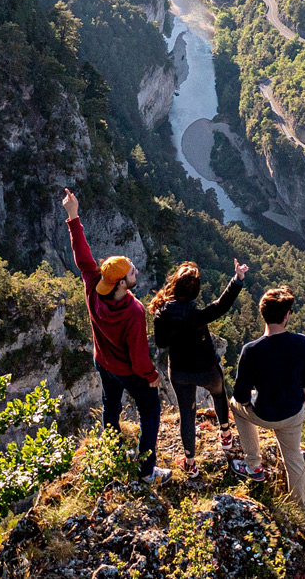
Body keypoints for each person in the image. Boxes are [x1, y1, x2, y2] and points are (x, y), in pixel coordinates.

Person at [61, 188, 169, 482]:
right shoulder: (133, 312)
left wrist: (73, 217)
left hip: (102, 363)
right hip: (126, 370)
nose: (136, 272)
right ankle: (147, 471)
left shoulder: (94, 286)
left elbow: (82, 257)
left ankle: (112, 450)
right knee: (150, 411)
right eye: (132, 272)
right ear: (121, 283)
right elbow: (138, 358)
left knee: (111, 405)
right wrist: (152, 376)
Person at [148, 258, 249, 473]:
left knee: (187, 414)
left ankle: (191, 463)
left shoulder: (162, 313)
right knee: (219, 394)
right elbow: (222, 305)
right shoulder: (197, 315)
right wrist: (237, 279)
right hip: (207, 369)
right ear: (195, 292)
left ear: (174, 285)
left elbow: (161, 343)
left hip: (179, 372)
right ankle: (225, 434)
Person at [229, 286, 305, 507]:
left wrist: (249, 403)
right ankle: (299, 507)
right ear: (286, 316)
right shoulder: (302, 343)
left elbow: (241, 394)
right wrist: (302, 404)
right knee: (293, 458)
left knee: (234, 405)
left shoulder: (251, 350)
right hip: (292, 413)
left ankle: (254, 465)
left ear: (262, 314)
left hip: (263, 413)